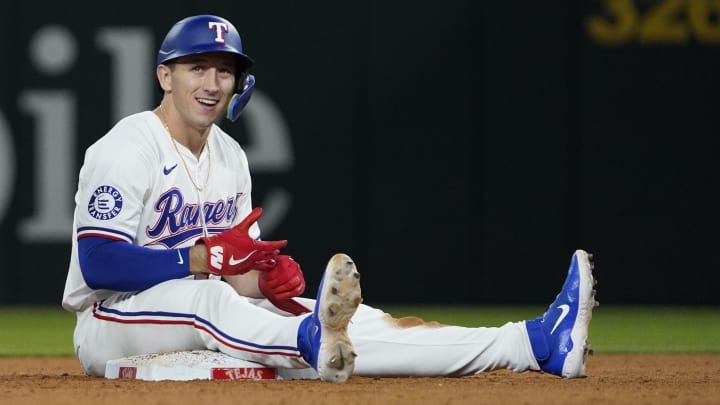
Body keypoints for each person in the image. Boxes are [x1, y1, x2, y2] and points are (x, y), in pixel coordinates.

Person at [62, 14, 598, 382]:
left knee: (344, 320)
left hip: (202, 308)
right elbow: (99, 261)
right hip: (113, 320)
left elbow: (235, 274)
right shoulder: (125, 147)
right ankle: (309, 339)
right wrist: (204, 260)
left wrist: (266, 278)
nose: (212, 82)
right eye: (197, 67)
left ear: (237, 83)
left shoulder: (229, 156)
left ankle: (531, 344)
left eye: (224, 70)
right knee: (214, 301)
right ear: (165, 75)